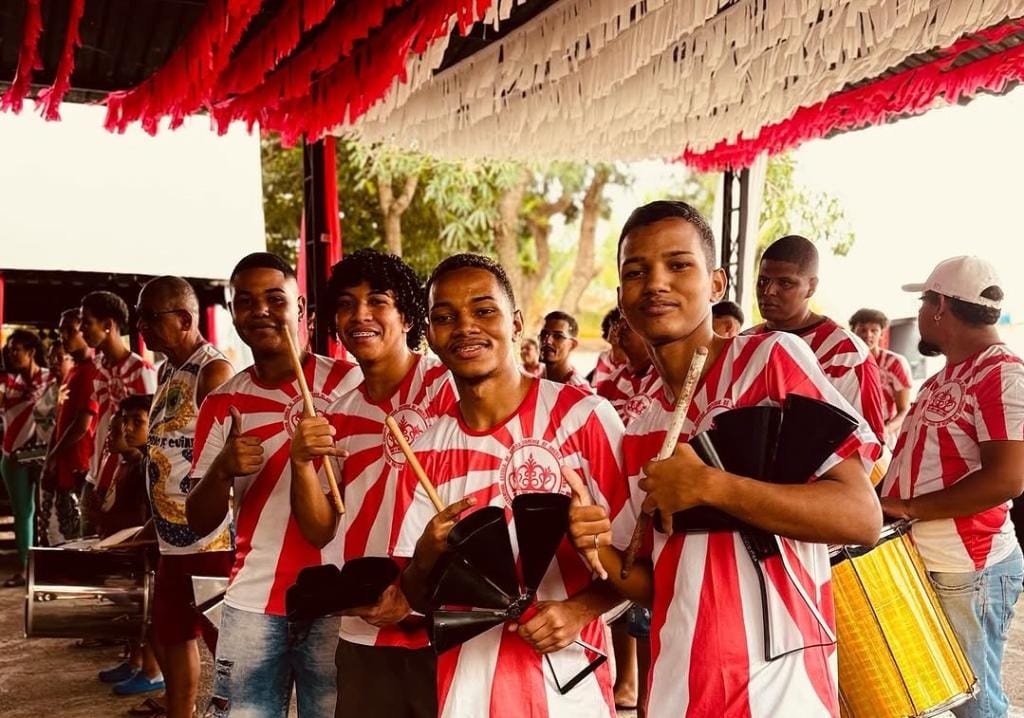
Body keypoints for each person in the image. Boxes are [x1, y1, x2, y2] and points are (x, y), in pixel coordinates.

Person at [565, 200, 882, 717]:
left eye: (678, 264)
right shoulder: (640, 420)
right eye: (636, 271)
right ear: (622, 298)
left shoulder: (769, 360)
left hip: (779, 686)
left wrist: (712, 487)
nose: (656, 283)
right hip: (679, 686)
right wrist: (596, 547)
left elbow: (860, 517)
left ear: (715, 285)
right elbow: (652, 584)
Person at [394, 253, 625, 718]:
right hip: (466, 694)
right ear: (431, 336)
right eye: (445, 317)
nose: (465, 327)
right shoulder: (424, 450)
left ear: (516, 323)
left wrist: (579, 610)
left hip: (571, 692)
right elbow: (418, 597)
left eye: (484, 310)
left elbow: (644, 566)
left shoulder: (585, 417)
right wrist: (423, 557)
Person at [186, 252, 362, 718]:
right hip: (255, 600)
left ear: (300, 308)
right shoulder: (223, 402)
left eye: (274, 298)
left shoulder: (352, 383)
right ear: (232, 313)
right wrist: (222, 468)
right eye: (245, 301)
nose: (260, 310)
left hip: (342, 599)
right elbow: (196, 521)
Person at [290, 249, 456, 718]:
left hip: (444, 620)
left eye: (377, 301)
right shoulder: (338, 413)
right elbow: (321, 528)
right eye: (346, 303)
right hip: (366, 622)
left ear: (407, 315)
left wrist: (414, 589)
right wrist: (301, 464)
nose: (359, 315)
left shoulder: (448, 388)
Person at [880, 256, 1024, 718]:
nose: (920, 314)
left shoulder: (1001, 373)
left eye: (923, 303)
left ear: (939, 306)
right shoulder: (951, 374)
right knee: (948, 699)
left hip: (971, 568)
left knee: (975, 704)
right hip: (938, 563)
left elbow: (1007, 478)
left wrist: (905, 506)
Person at [136, 276, 235, 718]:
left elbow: (229, 455)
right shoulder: (166, 370)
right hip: (171, 538)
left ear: (184, 319)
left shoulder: (213, 372)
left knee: (224, 642)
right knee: (172, 631)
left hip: (210, 538)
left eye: (150, 317)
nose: (142, 326)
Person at [745, 235, 886, 441]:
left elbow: (872, 445)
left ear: (811, 286)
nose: (768, 291)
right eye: (763, 281)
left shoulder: (846, 354)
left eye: (785, 283)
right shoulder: (744, 342)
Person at [96, 394, 165, 697]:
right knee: (139, 618)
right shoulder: (134, 464)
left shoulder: (150, 465)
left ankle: (152, 673)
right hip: (137, 549)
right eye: (124, 422)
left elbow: (146, 516)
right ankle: (136, 662)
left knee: (151, 620)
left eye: (137, 421)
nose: (126, 429)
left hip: (150, 553)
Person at [79, 291, 157, 532]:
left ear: (108, 325)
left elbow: (148, 433)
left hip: (125, 480)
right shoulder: (98, 367)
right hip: (96, 474)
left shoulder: (141, 371)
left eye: (86, 322)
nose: (82, 329)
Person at [41, 309, 98, 544]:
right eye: (61, 330)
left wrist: (53, 457)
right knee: (58, 533)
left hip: (80, 466)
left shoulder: (93, 371)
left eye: (70, 330)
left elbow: (82, 424)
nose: (64, 336)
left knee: (76, 536)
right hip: (64, 466)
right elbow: (61, 420)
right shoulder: (73, 371)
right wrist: (50, 458)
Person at [1, 329, 49, 587]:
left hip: (46, 455)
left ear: (31, 352)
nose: (11, 353)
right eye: (9, 349)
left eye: (16, 349)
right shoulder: (7, 382)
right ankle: (25, 568)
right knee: (23, 512)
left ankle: (49, 568)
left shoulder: (52, 378)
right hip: (14, 455)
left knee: (48, 514)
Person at [849, 308, 913, 446]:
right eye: (863, 330)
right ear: (853, 331)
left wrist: (886, 430)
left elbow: (904, 409)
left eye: (874, 330)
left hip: (885, 437)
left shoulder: (895, 363)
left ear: (882, 333)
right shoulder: (846, 362)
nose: (868, 335)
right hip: (852, 434)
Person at [35, 341, 74, 546]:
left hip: (71, 461)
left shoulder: (75, 386)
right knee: (48, 520)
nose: (54, 363)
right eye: (51, 358)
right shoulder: (50, 388)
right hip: (47, 457)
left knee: (68, 522)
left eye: (60, 357)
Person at [594, 315, 659, 426]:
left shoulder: (666, 380)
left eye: (630, 323)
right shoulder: (608, 383)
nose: (621, 327)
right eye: (620, 322)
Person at [539, 310, 590, 388]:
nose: (547, 341)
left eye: (558, 336)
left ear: (572, 345)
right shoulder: (537, 380)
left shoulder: (579, 391)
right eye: (544, 334)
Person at [589, 309, 626, 385]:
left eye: (623, 327)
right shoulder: (604, 357)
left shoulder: (631, 365)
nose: (615, 329)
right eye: (614, 324)